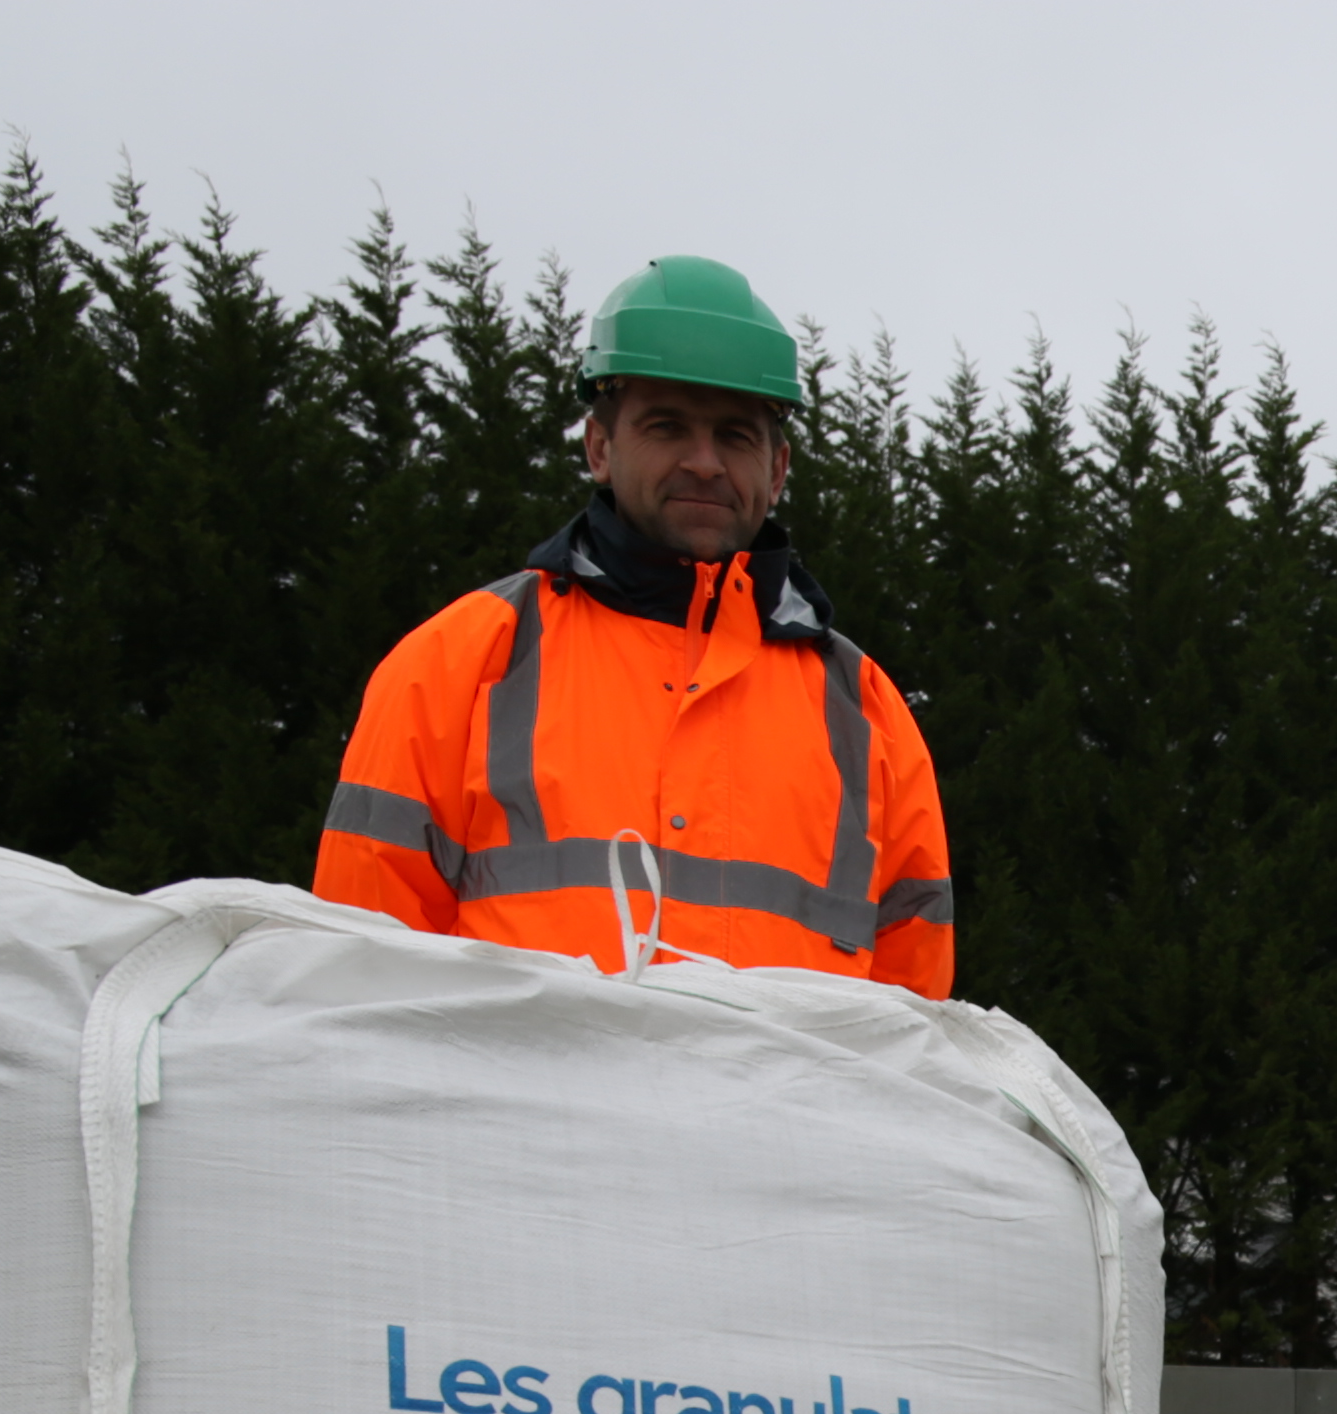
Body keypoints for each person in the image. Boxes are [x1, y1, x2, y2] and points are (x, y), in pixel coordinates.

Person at [314, 255, 955, 996]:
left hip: (771, 1118)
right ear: (598, 448)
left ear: (778, 469)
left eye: (736, 436)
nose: (706, 463)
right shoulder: (457, 663)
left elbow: (912, 1031)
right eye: (667, 426)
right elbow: (356, 979)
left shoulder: (868, 715)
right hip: (525, 1111)